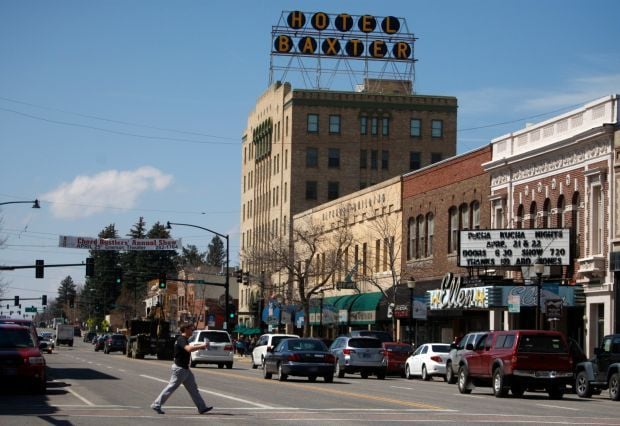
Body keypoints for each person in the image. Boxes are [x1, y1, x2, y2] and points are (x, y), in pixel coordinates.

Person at [151, 323, 213, 415]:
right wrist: (203, 346)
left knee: (193, 389)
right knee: (171, 387)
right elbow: (189, 349)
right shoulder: (181, 339)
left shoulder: (184, 339)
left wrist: (201, 346)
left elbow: (190, 348)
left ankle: (202, 407)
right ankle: (156, 404)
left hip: (185, 370)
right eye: (191, 329)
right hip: (179, 369)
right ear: (186, 329)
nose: (192, 331)